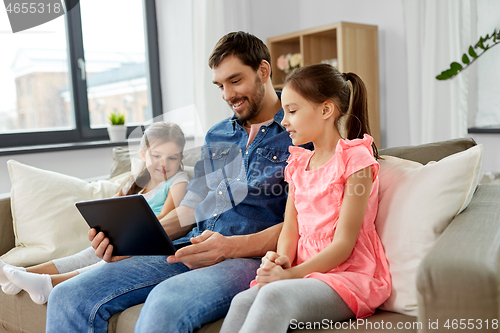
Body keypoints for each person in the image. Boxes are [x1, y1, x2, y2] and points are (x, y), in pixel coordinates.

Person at [45, 31, 308, 333]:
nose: (227, 95)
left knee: (165, 303)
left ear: (263, 70)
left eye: (235, 81)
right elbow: (191, 208)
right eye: (220, 86)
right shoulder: (218, 134)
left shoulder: (300, 131)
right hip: (191, 244)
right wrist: (136, 239)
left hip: (249, 256)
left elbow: (304, 224)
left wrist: (229, 247)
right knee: (69, 295)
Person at [220, 64, 391, 332]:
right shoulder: (298, 163)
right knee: (242, 301)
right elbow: (291, 228)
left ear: (325, 110)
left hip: (347, 275)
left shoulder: (355, 159)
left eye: (292, 111)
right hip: (303, 271)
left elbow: (344, 244)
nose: (284, 120)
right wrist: (281, 261)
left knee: (273, 296)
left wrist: (288, 276)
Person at [0, 122, 189, 305]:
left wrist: (129, 230)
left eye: (172, 158)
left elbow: (167, 220)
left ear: (180, 159)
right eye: (157, 156)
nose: (163, 163)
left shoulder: (178, 180)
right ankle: (20, 273)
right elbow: (111, 205)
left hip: (151, 244)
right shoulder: (138, 181)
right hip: (128, 236)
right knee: (86, 254)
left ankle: (48, 284)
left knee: (104, 263)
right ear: (143, 155)